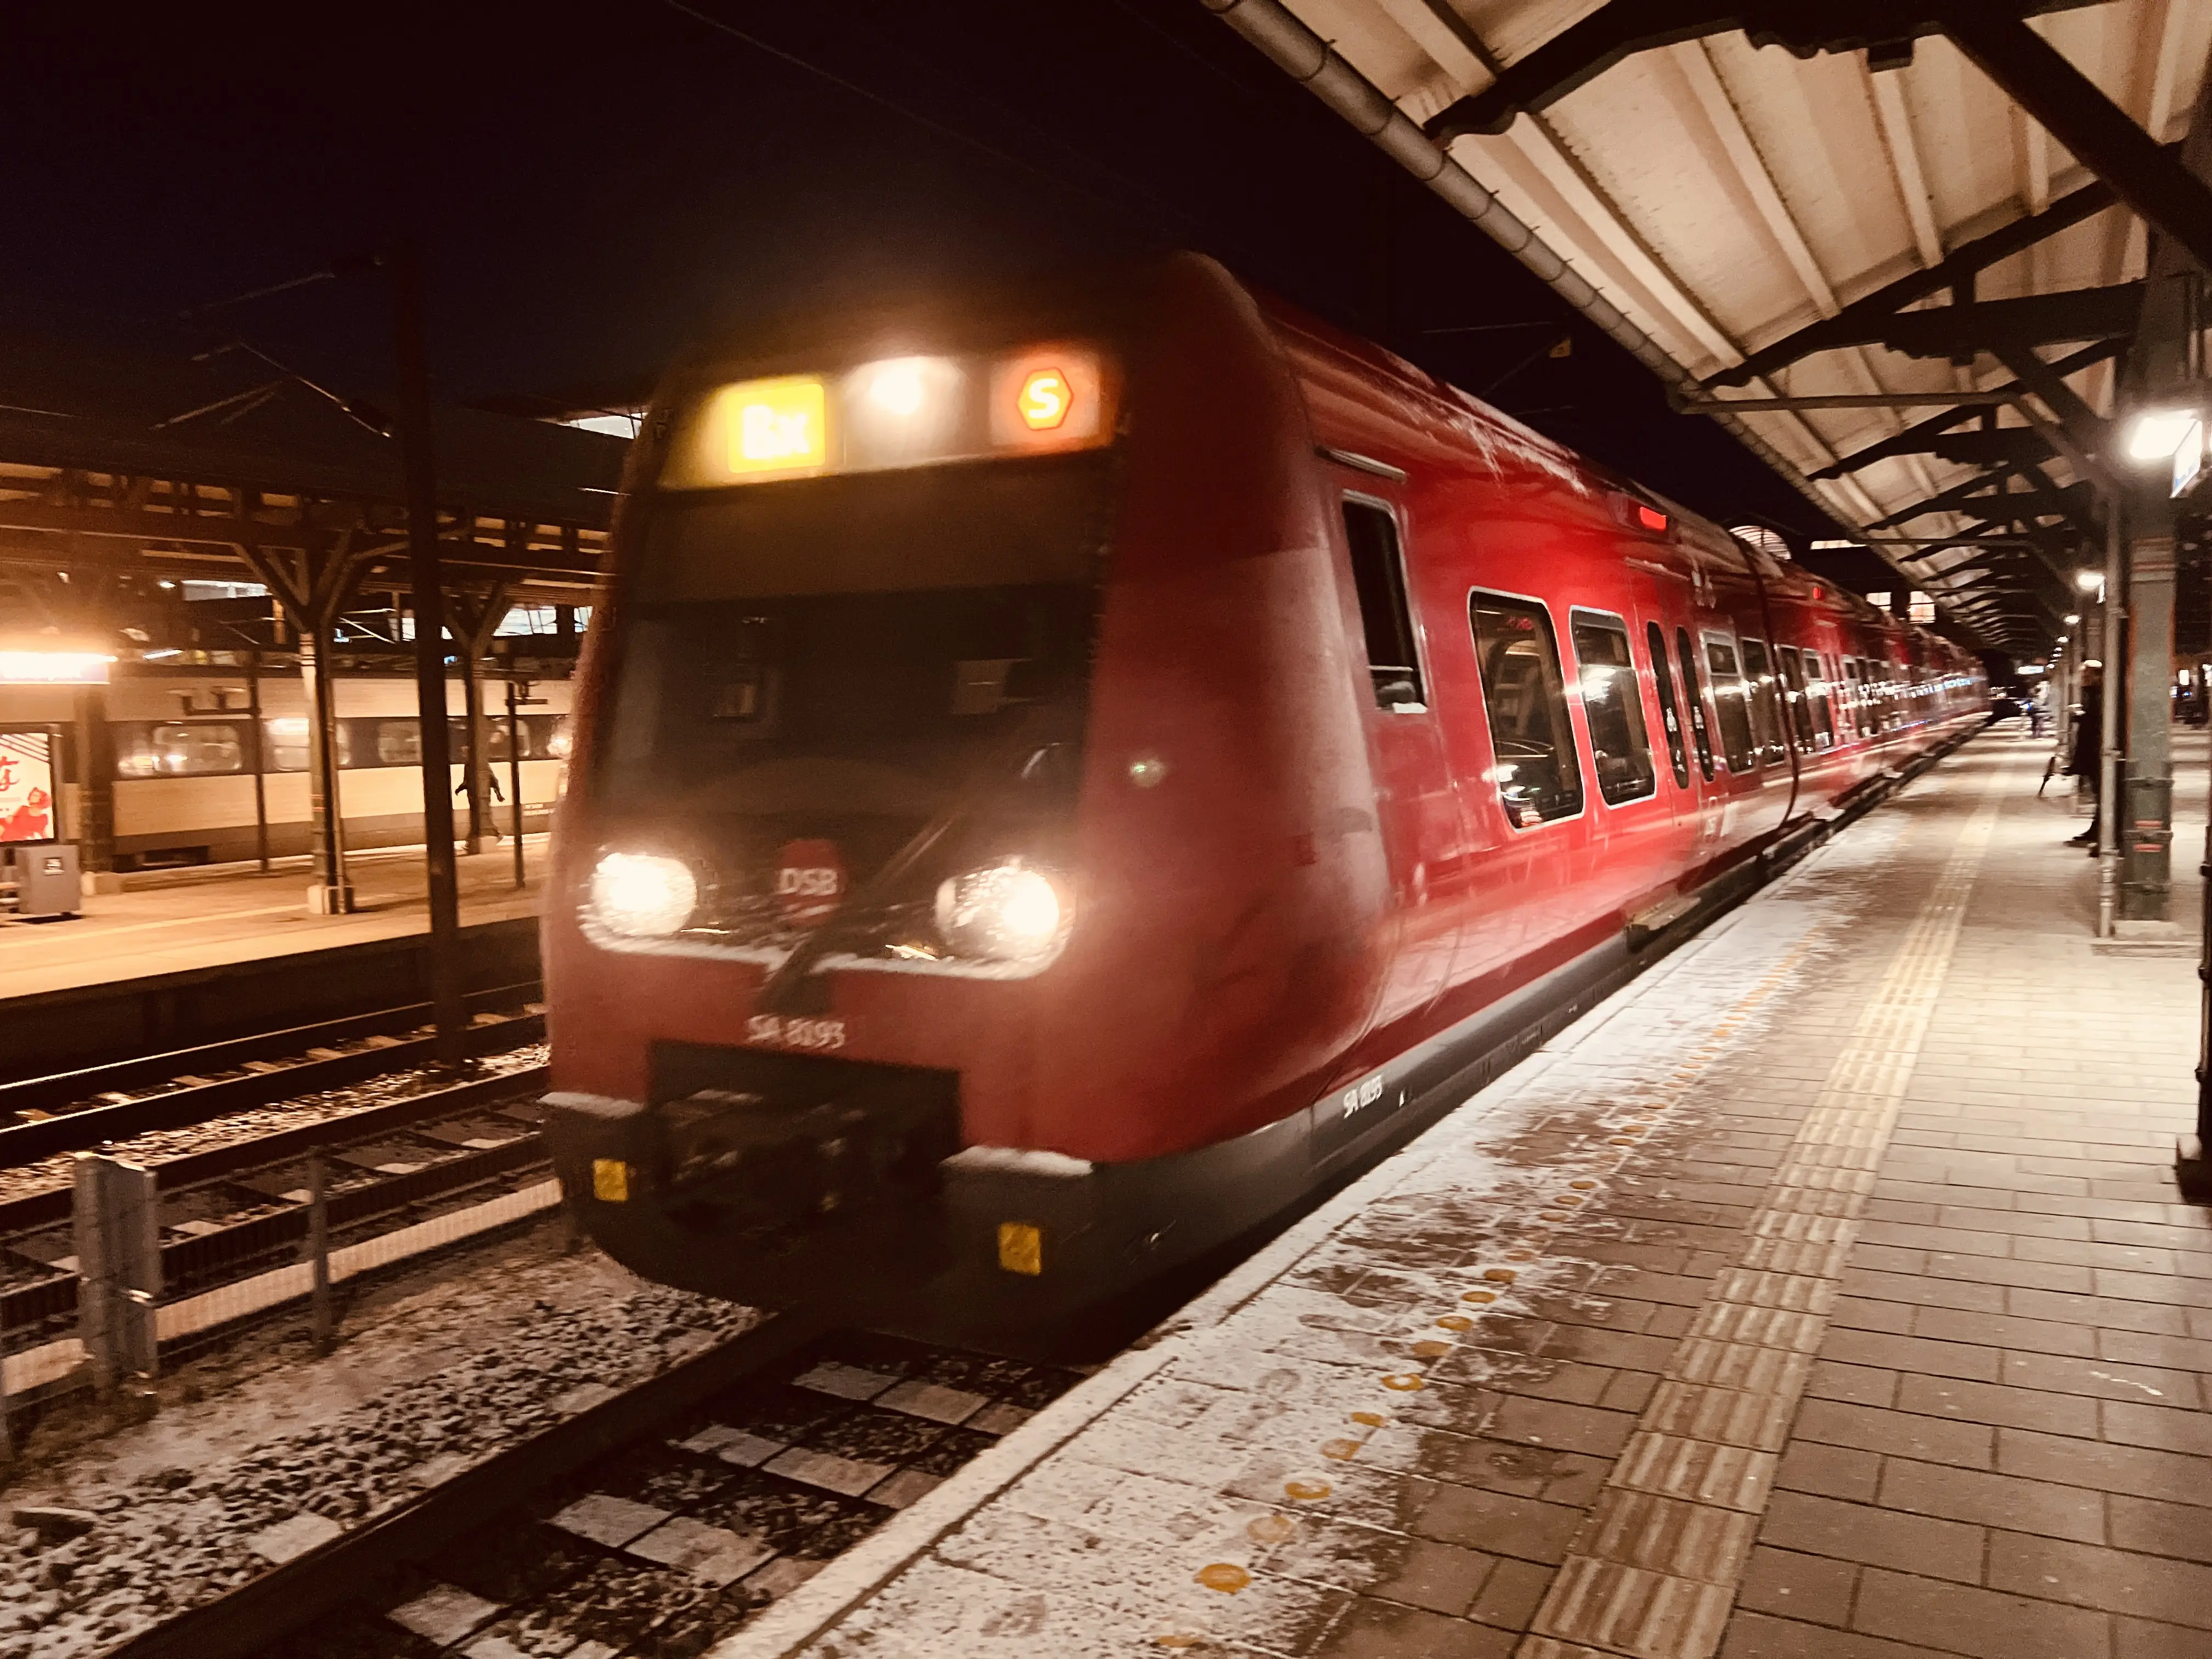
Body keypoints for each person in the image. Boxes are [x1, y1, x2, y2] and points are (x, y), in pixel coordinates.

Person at [2066, 664, 2101, 847]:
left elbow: (2094, 724)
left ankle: (2099, 832)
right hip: (2092, 754)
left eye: (2086, 675)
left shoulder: (2097, 695)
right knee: (2098, 795)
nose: (2083, 679)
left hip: (2096, 754)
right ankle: (2097, 830)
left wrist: (2080, 717)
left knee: (2101, 794)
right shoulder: (2094, 694)